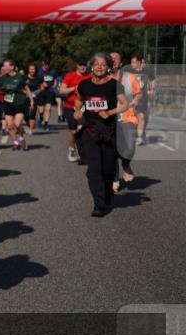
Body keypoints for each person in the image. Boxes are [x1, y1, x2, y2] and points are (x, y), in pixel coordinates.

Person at [73, 53, 128, 216]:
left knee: (108, 169)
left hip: (109, 131)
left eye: (103, 64)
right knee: (93, 170)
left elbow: (124, 105)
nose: (99, 67)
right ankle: (99, 204)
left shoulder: (114, 84)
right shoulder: (83, 84)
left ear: (108, 67)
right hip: (90, 130)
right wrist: (77, 111)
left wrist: (110, 112)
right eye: (96, 64)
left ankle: (108, 195)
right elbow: (79, 100)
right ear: (91, 66)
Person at [108, 52, 141, 193]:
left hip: (127, 117)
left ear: (120, 63)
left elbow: (138, 92)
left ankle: (126, 163)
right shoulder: (102, 78)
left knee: (130, 147)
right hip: (110, 118)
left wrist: (137, 99)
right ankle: (115, 179)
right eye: (111, 59)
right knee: (112, 151)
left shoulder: (129, 77)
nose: (114, 60)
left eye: (116, 58)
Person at [59, 60, 92, 163]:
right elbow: (62, 90)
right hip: (70, 106)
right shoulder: (70, 76)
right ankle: (72, 149)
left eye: (84, 65)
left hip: (84, 107)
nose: (83, 67)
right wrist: (75, 88)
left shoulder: (90, 76)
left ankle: (84, 153)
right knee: (73, 130)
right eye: (81, 65)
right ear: (77, 66)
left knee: (82, 128)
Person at [0, 59, 33, 150]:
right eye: (3, 66)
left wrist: (31, 100)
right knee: (9, 126)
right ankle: (15, 141)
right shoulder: (3, 78)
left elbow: (27, 88)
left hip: (19, 102)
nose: (4, 68)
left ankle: (21, 138)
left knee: (17, 124)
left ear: (12, 67)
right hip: (8, 103)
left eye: (6, 66)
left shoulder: (20, 77)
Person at [129, 54, 156, 145]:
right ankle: (136, 135)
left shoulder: (147, 71)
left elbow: (153, 80)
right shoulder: (128, 72)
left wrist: (152, 89)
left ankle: (140, 135)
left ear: (140, 63)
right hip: (130, 98)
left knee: (143, 117)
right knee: (132, 118)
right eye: (131, 62)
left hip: (143, 98)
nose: (132, 64)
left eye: (134, 62)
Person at [35, 59, 58, 130]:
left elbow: (55, 79)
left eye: (48, 64)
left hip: (50, 92)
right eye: (45, 64)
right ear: (43, 63)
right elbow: (35, 81)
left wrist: (55, 84)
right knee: (41, 111)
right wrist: (41, 84)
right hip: (41, 92)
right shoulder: (39, 71)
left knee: (48, 109)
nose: (47, 65)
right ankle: (41, 117)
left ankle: (46, 124)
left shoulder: (53, 71)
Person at [24, 63, 40, 134]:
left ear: (35, 70)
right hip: (25, 97)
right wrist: (27, 93)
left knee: (33, 113)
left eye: (33, 69)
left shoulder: (38, 78)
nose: (32, 70)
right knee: (26, 114)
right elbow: (21, 88)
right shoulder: (24, 78)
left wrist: (37, 92)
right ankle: (28, 124)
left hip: (35, 97)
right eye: (30, 69)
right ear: (28, 70)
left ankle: (30, 129)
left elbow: (41, 87)